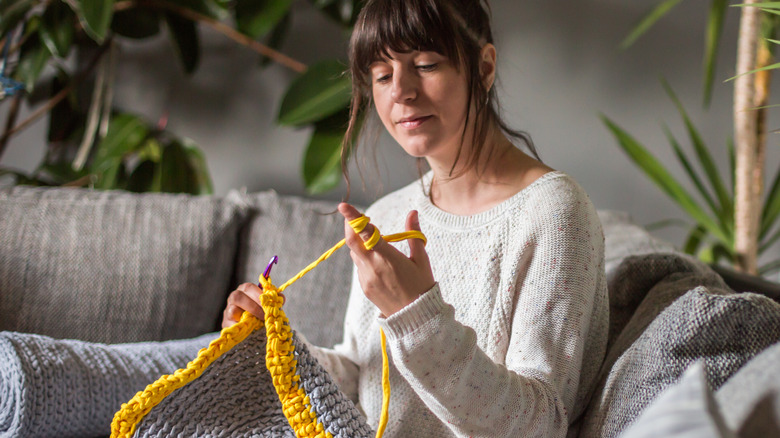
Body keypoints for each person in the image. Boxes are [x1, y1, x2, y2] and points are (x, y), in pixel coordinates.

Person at [222, 0, 608, 436]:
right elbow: (360, 379)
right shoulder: (386, 214)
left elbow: (540, 424)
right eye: (382, 75)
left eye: (425, 65)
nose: (400, 91)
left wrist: (415, 315)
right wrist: (272, 345)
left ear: (484, 67)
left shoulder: (554, 215)